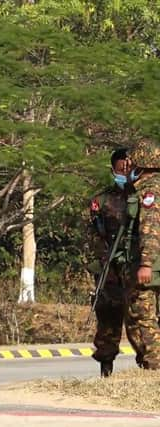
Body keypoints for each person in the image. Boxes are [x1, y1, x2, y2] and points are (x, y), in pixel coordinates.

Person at [87, 149, 141, 376]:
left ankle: (148, 364)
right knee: (108, 317)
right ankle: (106, 367)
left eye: (129, 168)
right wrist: (101, 265)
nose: (125, 172)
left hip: (138, 265)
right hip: (110, 267)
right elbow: (93, 237)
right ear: (113, 170)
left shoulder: (145, 196)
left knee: (142, 317)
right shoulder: (101, 200)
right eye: (121, 169)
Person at [122, 138, 160, 370]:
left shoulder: (150, 191)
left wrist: (145, 263)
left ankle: (155, 365)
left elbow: (150, 228)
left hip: (152, 266)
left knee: (143, 316)